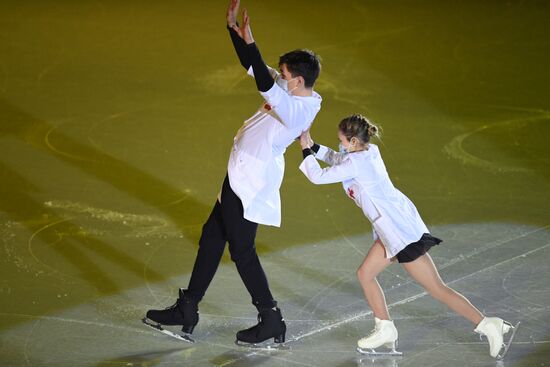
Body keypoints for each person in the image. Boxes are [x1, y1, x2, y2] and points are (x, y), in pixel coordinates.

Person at [144, 0, 322, 346]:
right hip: (238, 173)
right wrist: (235, 32)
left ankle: (270, 317)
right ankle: (188, 307)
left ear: (298, 81)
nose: (280, 77)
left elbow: (264, 85)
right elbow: (255, 70)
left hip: (252, 182)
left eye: (285, 74)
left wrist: (253, 43)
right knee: (212, 236)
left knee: (242, 250)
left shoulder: (299, 109)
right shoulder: (291, 90)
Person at [298, 114, 517, 359]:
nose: (339, 144)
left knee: (436, 288)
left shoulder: (357, 162)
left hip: (399, 232)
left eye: (340, 140)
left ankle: (487, 324)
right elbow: (337, 159)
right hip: (393, 227)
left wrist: (306, 150)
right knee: (366, 274)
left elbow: (318, 176)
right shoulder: (364, 153)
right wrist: (312, 145)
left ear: (351, 141)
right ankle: (385, 328)